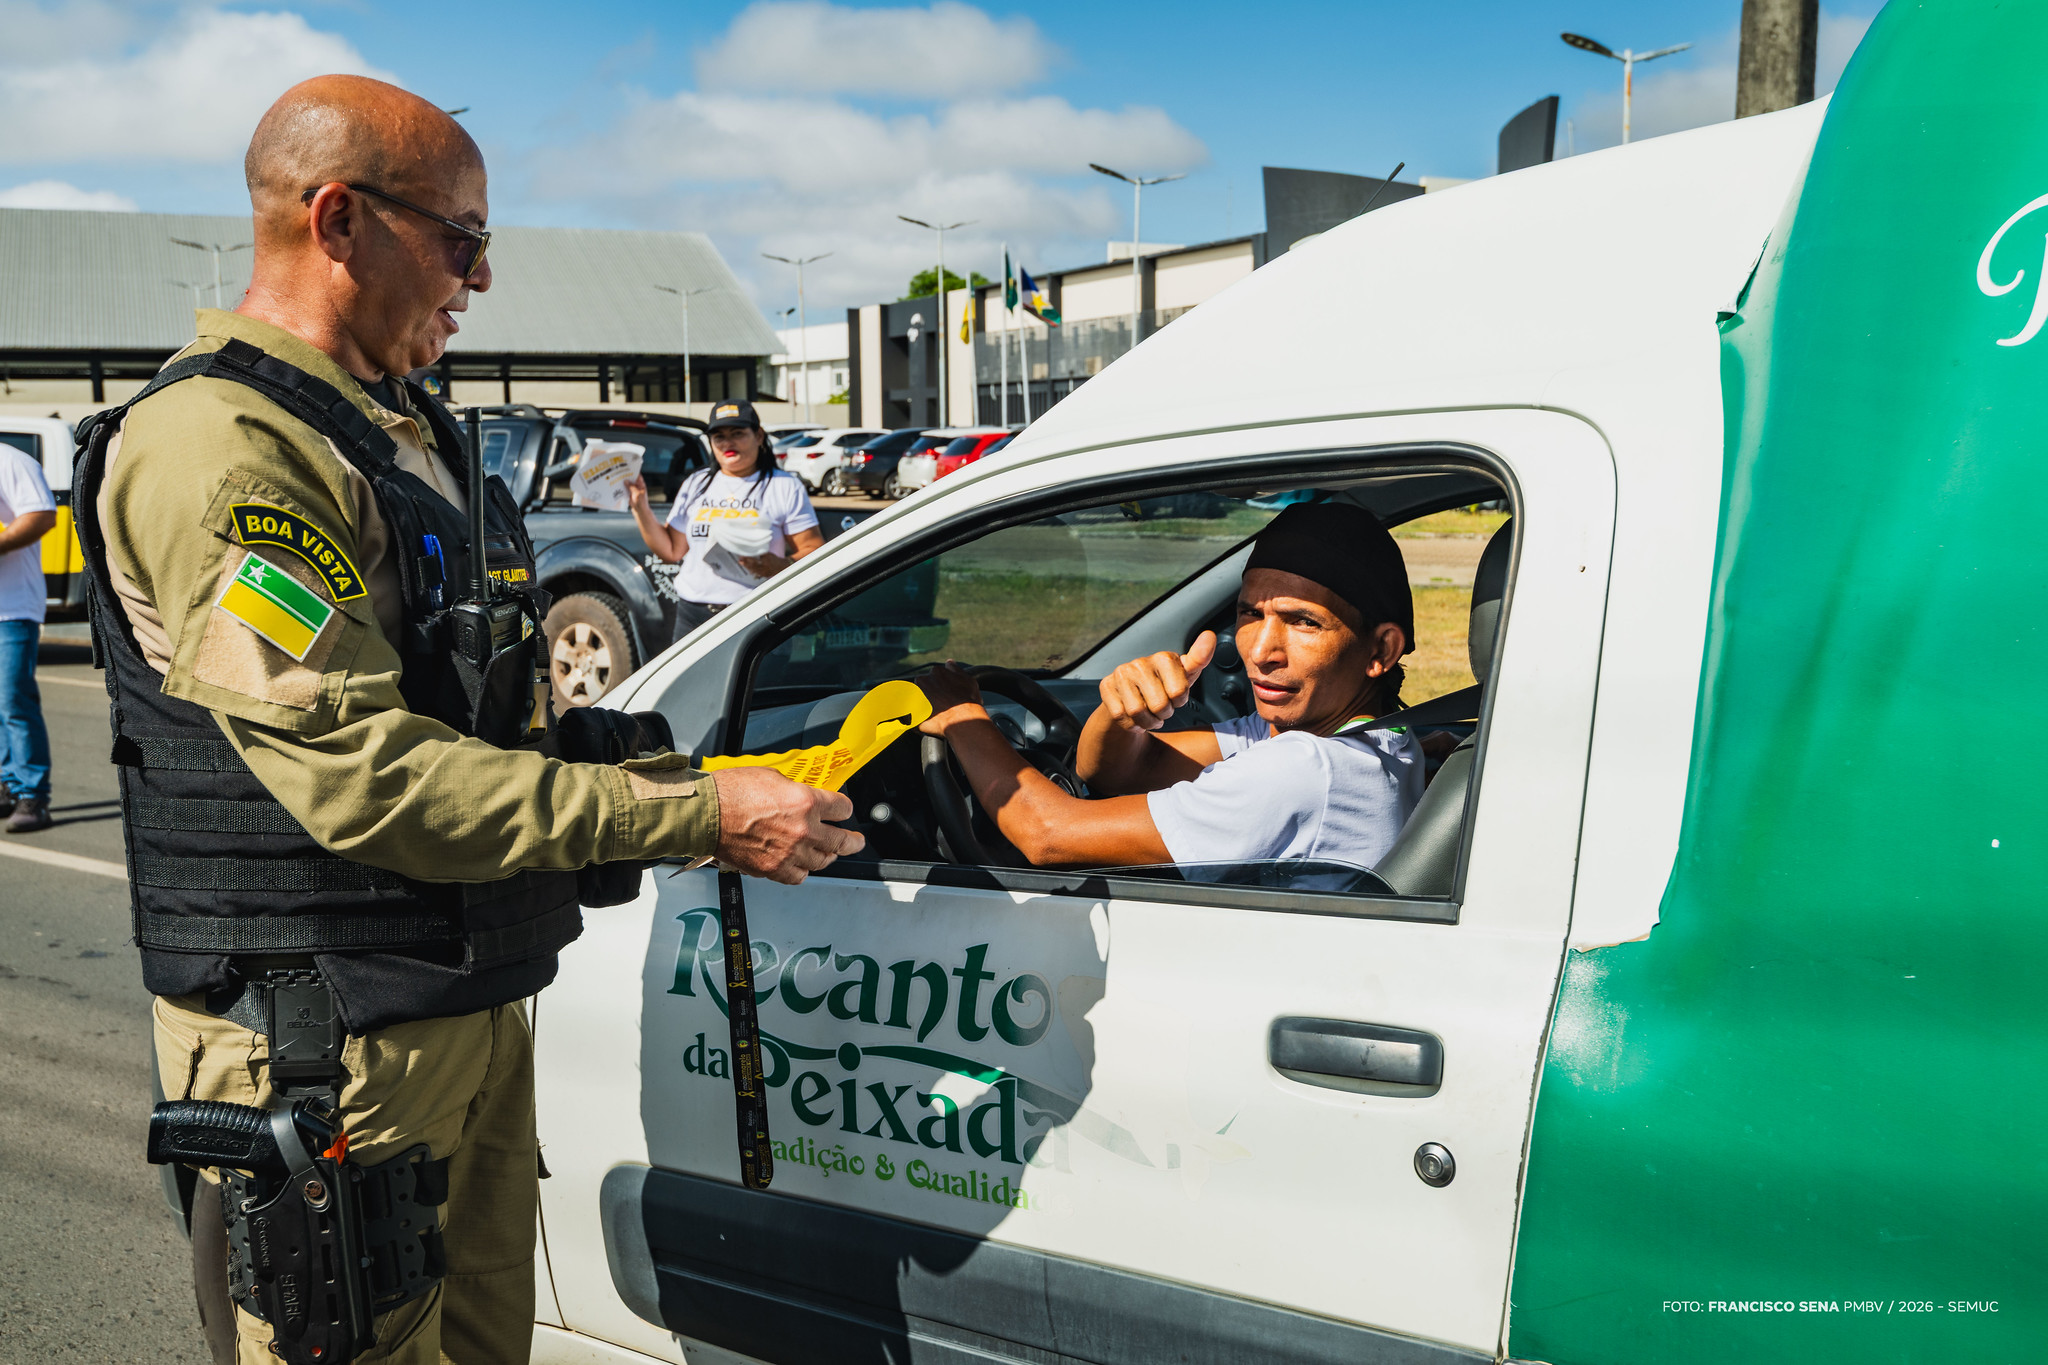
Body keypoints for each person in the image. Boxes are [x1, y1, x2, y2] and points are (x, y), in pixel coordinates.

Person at [78, 75, 861, 1365]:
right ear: (337, 220)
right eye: (463, 236)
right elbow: (366, 778)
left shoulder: (395, 431)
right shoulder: (224, 449)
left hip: (449, 1012)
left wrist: (698, 788)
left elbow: (478, 730)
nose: (481, 277)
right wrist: (688, 814)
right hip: (324, 1041)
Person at [917, 501, 1424, 871]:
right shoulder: (1375, 738)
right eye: (1250, 613)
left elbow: (1047, 834)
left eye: (1303, 623)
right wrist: (1122, 714)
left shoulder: (1307, 770)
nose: (1261, 650)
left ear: (1380, 651)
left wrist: (963, 716)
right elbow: (1119, 771)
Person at [626, 399, 823, 641]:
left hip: (756, 614)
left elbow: (813, 550)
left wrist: (779, 565)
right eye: (718, 436)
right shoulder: (696, 484)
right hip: (693, 615)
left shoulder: (784, 486)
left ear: (759, 436)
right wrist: (640, 507)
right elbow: (672, 550)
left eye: (737, 433)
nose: (727, 443)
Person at [0, 435, 57, 834]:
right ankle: (5, 786)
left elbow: (41, 515)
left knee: (13, 700)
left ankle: (33, 796)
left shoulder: (12, 461)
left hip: (11, 608)